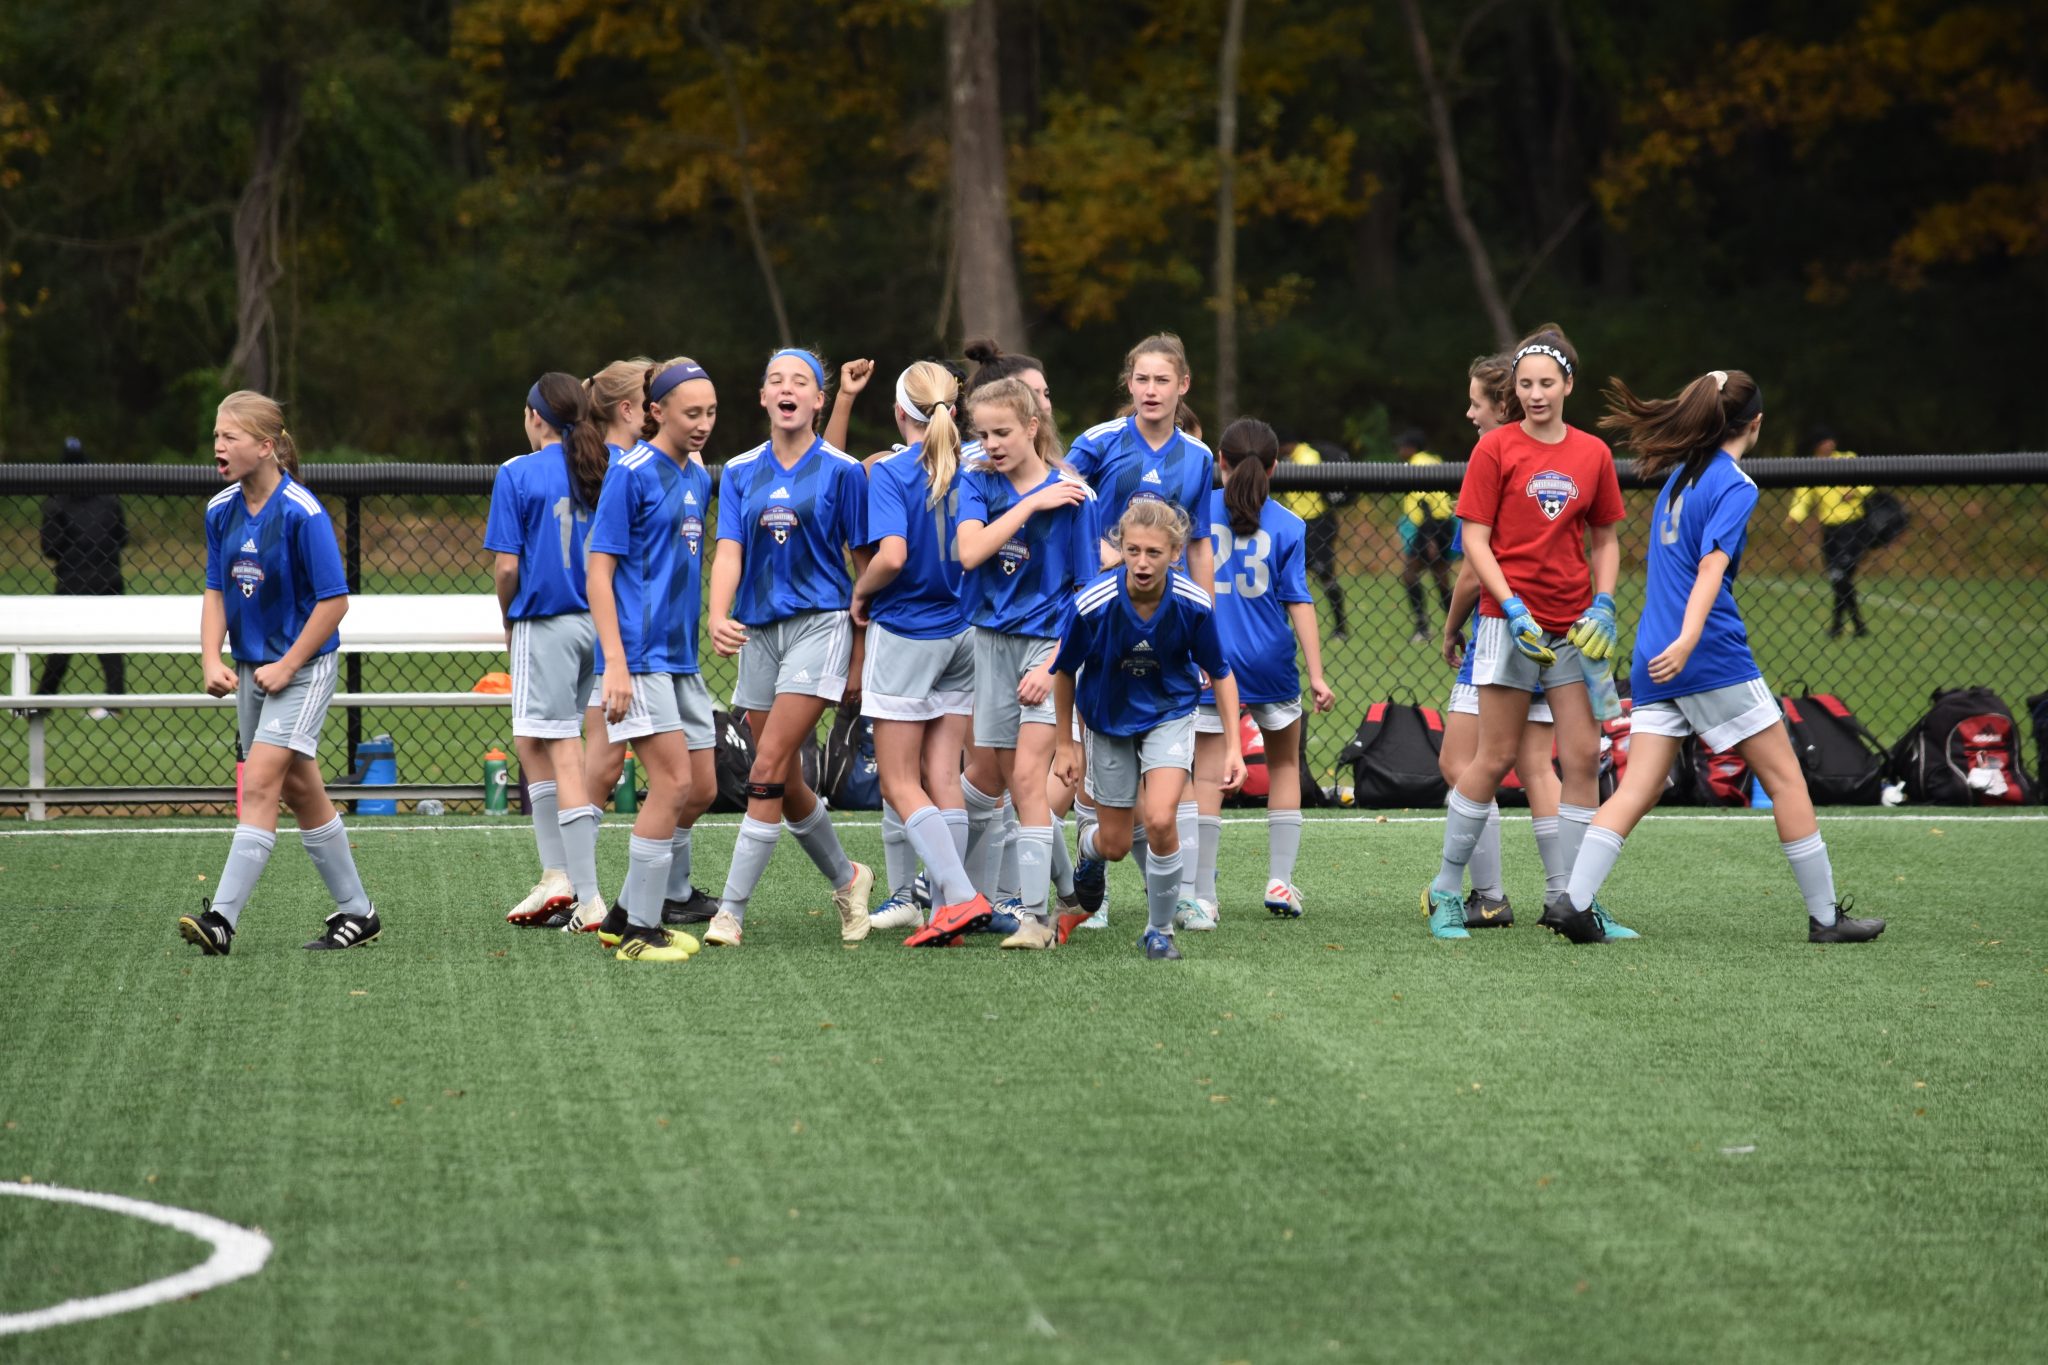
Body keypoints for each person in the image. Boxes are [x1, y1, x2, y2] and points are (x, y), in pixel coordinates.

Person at [1571, 370, 1884, 943]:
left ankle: (1573, 901)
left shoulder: (1677, 479)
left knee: (1639, 787)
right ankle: (1825, 919)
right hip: (1707, 654)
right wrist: (1691, 641)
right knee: (1788, 781)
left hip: (1651, 653)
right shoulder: (1734, 483)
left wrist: (1675, 642)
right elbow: (1711, 568)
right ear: (1755, 424)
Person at [1421, 324, 1636, 944]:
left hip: (1574, 633)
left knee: (1580, 762)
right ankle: (1445, 892)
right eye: (1526, 385)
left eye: (1547, 383)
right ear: (1514, 389)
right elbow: (1475, 541)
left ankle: (1573, 900)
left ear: (1569, 384)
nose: (1537, 394)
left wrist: (1603, 602)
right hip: (1508, 627)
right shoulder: (1495, 450)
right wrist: (1510, 607)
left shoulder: (1593, 453)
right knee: (1490, 759)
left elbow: (1605, 539)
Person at [179, 392, 379, 955]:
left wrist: (288, 664)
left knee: (262, 783)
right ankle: (359, 913)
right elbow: (216, 589)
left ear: (266, 447)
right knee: (299, 787)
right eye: (216, 435)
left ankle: (220, 919)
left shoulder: (302, 512)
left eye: (231, 437)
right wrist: (212, 658)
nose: (219, 446)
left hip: (303, 668)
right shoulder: (220, 509)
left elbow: (335, 603)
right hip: (252, 669)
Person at [703, 347, 876, 948]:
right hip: (760, 632)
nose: (787, 388)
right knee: (779, 775)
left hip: (821, 626)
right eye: (775, 378)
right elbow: (729, 550)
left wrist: (858, 652)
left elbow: (865, 567)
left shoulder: (844, 470)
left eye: (800, 381)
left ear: (818, 399)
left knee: (769, 767)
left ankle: (729, 912)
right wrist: (717, 613)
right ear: (762, 397)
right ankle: (849, 877)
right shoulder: (742, 469)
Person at [1065, 333, 1217, 931]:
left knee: (1163, 789)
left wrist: (1208, 619)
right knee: (1104, 746)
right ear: (1128, 384)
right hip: (1104, 615)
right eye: (1141, 380)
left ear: (1183, 387)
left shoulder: (1199, 458)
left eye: (1163, 380)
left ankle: (1173, 899)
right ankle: (1093, 873)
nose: (1151, 390)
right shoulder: (1098, 443)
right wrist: (1095, 555)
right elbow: (1052, 498)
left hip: (1168, 616)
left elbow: (1200, 544)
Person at [1051, 499, 1244, 961]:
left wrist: (1235, 746)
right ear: (1120, 548)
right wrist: (1065, 743)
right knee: (1116, 843)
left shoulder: (1192, 602)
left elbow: (1220, 672)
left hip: (1169, 713)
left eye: (1154, 553)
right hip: (1108, 718)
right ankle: (1089, 848)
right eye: (1133, 550)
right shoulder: (1093, 603)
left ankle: (1159, 931)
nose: (1142, 562)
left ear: (1175, 553)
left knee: (1160, 818)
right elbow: (1063, 671)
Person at [578, 357, 725, 962]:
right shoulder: (630, 473)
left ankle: (621, 912)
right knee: (671, 784)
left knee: (703, 788)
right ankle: (638, 930)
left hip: (679, 660)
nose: (704, 424)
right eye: (692, 413)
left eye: (712, 412)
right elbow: (598, 571)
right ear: (655, 411)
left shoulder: (698, 477)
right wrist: (615, 661)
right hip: (638, 658)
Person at [847, 363, 993, 947]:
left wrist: (860, 593)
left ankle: (957, 898)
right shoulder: (979, 465)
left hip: (908, 632)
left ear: (898, 413)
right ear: (954, 411)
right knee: (944, 776)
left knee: (900, 782)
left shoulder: (892, 471)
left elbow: (893, 556)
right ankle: (946, 909)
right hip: (965, 630)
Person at [951, 376, 1099, 949]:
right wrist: (1031, 502)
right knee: (1015, 784)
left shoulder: (1076, 498)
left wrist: (1055, 666)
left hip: (1050, 645)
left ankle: (1034, 919)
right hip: (992, 644)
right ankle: (1069, 897)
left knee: (1027, 781)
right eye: (983, 433)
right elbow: (970, 552)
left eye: (1003, 432)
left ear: (1033, 428)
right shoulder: (978, 485)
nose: (991, 443)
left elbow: (1086, 596)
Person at [1182, 418, 1333, 931]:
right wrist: (1316, 673)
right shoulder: (1290, 524)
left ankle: (1202, 896)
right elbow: (1300, 600)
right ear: (1274, 468)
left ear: (1218, 462)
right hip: (1270, 662)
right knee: (1284, 767)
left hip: (1209, 663)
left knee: (1207, 776)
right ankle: (1279, 881)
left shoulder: (1192, 513)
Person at [1438, 352, 1563, 930]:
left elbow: (1472, 565)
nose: (1469, 412)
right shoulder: (1554, 452)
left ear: (1502, 405)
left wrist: (1449, 624)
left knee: (1463, 761)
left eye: (1476, 402)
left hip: (1504, 626)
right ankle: (1563, 894)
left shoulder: (1496, 455)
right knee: (1540, 765)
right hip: (1558, 623)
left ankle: (1487, 894)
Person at [487, 373, 611, 933]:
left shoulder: (517, 472)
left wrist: (507, 616)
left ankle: (585, 895)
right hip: (598, 624)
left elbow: (508, 566)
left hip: (548, 619)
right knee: (532, 739)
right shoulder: (603, 465)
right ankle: (558, 874)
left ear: (536, 416)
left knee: (560, 747)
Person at [36, 437, 128, 717]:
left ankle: (41, 700)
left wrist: (73, 551)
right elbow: (122, 537)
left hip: (72, 581)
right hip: (109, 578)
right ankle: (115, 700)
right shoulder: (108, 499)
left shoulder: (56, 503)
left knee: (62, 643)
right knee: (109, 643)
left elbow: (50, 547)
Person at [1787, 427, 1874, 638]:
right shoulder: (1813, 468)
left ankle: (1838, 624)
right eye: (1824, 441)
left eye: (1830, 440)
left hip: (1853, 526)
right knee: (1838, 577)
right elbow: (1803, 495)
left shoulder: (1847, 459)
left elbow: (1869, 482)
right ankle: (1857, 624)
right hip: (1830, 529)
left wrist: (1855, 492)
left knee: (1842, 574)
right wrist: (1794, 515)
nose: (1829, 444)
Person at [1274, 436, 1351, 640]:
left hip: (1317, 522)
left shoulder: (1308, 457)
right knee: (1288, 573)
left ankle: (1341, 626)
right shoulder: (1290, 459)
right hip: (1298, 522)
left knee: (1325, 572)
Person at [1396, 428, 1456, 642]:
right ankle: (1453, 624)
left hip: (1429, 524)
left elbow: (1425, 501)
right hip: (1445, 522)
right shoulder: (1435, 460)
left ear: (1412, 448)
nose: (1400, 450)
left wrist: (1429, 536)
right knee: (1440, 576)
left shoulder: (1416, 464)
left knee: (1410, 574)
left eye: (1403, 446)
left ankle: (1422, 626)